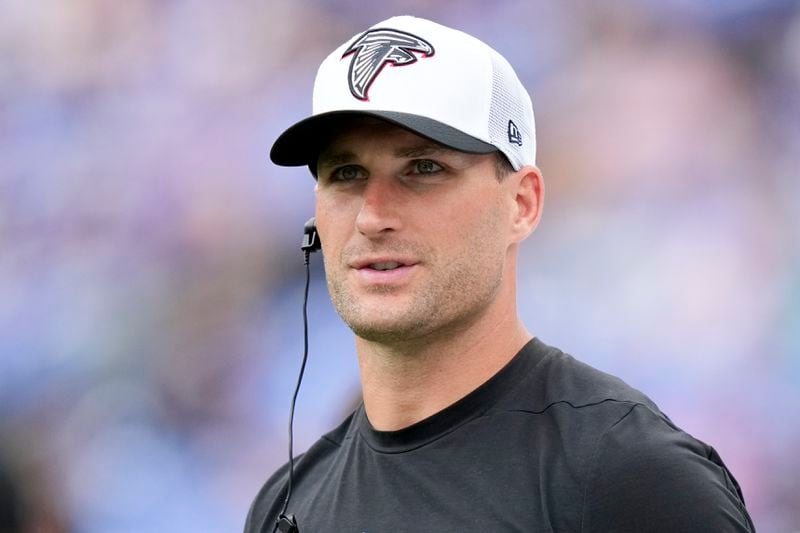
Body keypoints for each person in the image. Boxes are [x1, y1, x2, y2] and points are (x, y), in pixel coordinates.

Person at [245, 15, 754, 532]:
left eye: (424, 168)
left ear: (521, 204)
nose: (372, 215)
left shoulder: (629, 477)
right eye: (346, 174)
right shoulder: (288, 502)